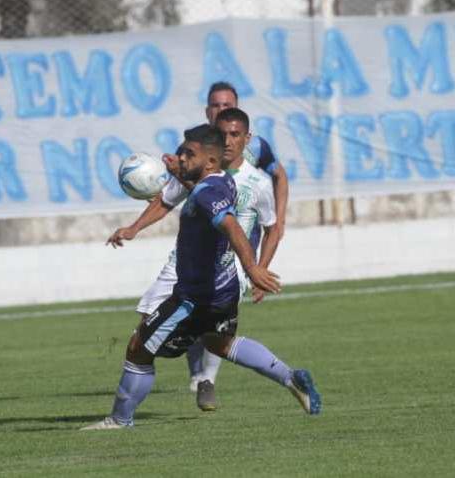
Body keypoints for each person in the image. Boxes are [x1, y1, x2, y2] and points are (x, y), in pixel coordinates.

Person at [81, 124, 320, 430]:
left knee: (138, 347)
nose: (180, 156)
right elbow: (191, 195)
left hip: (195, 297)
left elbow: (231, 226)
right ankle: (291, 377)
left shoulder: (209, 192)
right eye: (182, 150)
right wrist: (175, 179)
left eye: (188, 153)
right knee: (219, 343)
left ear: (209, 161)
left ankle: (120, 419)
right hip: (223, 289)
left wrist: (254, 268)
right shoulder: (218, 181)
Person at [108, 107, 281, 411]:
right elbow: (171, 198)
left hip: (224, 269)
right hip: (185, 263)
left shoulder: (254, 178)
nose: (228, 139)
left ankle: (201, 382)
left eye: (234, 133)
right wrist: (135, 227)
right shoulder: (201, 170)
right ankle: (286, 376)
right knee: (202, 337)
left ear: (246, 137)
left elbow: (253, 223)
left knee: (147, 343)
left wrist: (256, 268)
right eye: (221, 129)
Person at [161, 82, 289, 405]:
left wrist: (265, 251)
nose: (221, 111)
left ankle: (207, 379)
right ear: (208, 113)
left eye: (227, 105)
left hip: (235, 252)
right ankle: (198, 374)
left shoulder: (256, 149)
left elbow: (278, 179)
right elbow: (174, 192)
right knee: (191, 316)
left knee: (213, 317)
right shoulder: (197, 150)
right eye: (215, 106)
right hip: (195, 249)